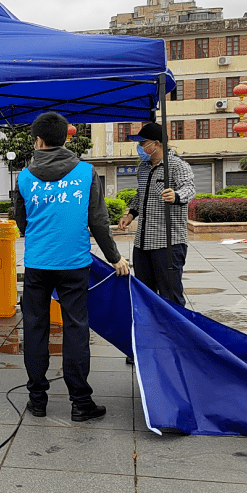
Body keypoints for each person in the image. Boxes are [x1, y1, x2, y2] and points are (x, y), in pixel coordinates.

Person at [13, 112, 130, 422]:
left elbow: (21, 222)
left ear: (37, 140)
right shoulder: (86, 172)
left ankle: (37, 399)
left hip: (37, 264)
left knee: (35, 328)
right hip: (75, 264)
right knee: (75, 328)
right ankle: (81, 402)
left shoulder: (24, 177)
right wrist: (115, 257)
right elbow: (99, 221)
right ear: (66, 137)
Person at [118, 121, 195, 307]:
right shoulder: (143, 168)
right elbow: (141, 194)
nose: (140, 147)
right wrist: (130, 215)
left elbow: (190, 189)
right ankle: (151, 332)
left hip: (168, 242)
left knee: (170, 295)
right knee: (145, 293)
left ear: (157, 143)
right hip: (143, 242)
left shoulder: (177, 165)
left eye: (143, 143)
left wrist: (176, 196)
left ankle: (176, 332)